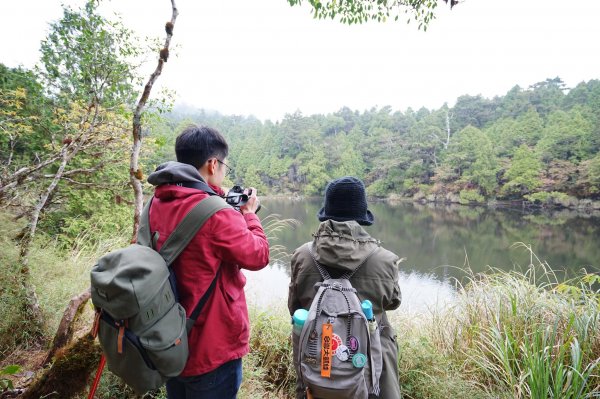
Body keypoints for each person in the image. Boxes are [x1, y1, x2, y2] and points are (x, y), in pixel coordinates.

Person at [146, 125, 270, 399]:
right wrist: (248, 214)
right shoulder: (217, 215)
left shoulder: (155, 203)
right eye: (223, 165)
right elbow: (259, 255)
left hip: (169, 340)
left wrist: (215, 197)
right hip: (211, 347)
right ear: (213, 164)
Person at [288, 176, 402, 399]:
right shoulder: (385, 260)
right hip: (371, 363)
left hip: (317, 359)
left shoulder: (302, 255)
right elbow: (394, 302)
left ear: (327, 212)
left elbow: (294, 307)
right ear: (362, 215)